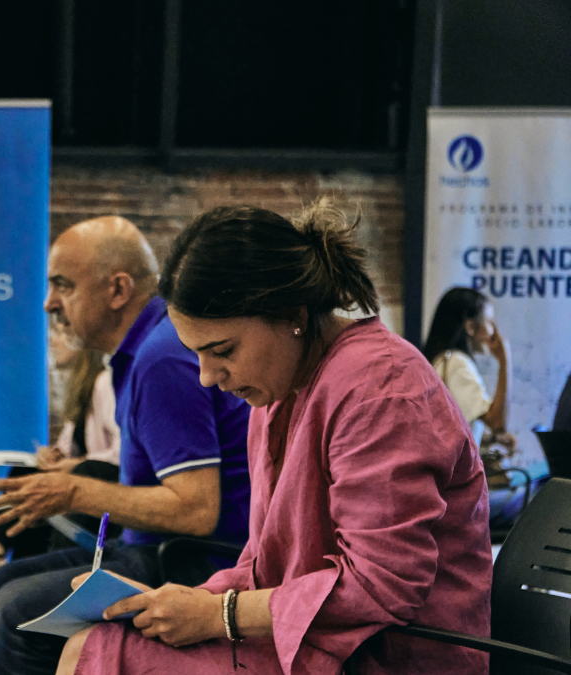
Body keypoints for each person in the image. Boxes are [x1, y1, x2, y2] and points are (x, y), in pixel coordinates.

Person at [58, 202, 491, 675]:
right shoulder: (279, 392)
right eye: (196, 355)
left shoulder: (381, 391)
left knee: (94, 655)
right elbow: (265, 566)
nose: (206, 377)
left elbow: (380, 586)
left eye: (222, 350)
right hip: (320, 644)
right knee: (101, 640)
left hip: (390, 657)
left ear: (291, 314)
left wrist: (217, 614)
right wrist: (172, 605)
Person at [0, 216, 251, 675]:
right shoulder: (144, 352)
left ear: (118, 290)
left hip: (194, 560)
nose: (48, 304)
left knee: (14, 610)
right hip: (158, 547)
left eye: (63, 286)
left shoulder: (161, 358)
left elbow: (196, 510)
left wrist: (73, 492)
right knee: (5, 581)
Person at [0, 340, 121, 588]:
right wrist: (53, 456)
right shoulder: (80, 390)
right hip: (85, 475)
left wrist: (73, 464)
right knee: (28, 469)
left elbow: (122, 453)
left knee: (76, 471)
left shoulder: (105, 384)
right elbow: (70, 448)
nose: (51, 341)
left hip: (109, 484)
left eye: (60, 333)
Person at [422, 287, 514, 451]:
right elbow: (497, 423)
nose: (494, 331)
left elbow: (459, 431)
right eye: (489, 322)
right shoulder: (457, 364)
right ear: (470, 327)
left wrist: (492, 439)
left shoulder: (443, 359)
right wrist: (504, 360)